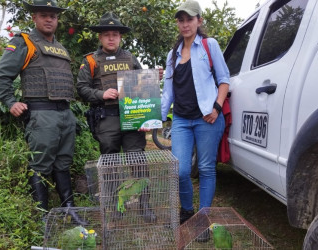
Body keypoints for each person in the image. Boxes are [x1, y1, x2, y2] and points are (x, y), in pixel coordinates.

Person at [0, 0, 87, 225]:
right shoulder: (25, 42)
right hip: (42, 115)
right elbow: (1, 75)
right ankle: (43, 217)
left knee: (64, 163)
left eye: (53, 16)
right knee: (41, 165)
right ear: (34, 17)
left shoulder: (61, 48)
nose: (49, 19)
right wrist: (10, 102)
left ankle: (69, 210)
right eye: (44, 15)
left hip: (65, 114)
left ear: (57, 20)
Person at [76, 12, 156, 223]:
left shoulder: (130, 58)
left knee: (137, 160)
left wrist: (146, 117)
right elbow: (81, 89)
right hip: (106, 118)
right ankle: (116, 206)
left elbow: (143, 86)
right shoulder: (91, 61)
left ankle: (144, 204)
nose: (111, 38)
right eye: (106, 34)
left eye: (115, 34)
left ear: (120, 37)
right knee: (110, 165)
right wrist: (101, 94)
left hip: (131, 118)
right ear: (100, 38)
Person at [161, 0, 230, 224]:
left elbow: (224, 80)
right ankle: (187, 210)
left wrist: (217, 108)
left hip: (206, 119)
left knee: (206, 168)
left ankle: (203, 217)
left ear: (199, 21)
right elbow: (168, 92)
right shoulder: (173, 54)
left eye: (189, 19)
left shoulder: (209, 45)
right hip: (181, 120)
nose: (185, 24)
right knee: (180, 170)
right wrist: (156, 119)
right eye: (180, 20)